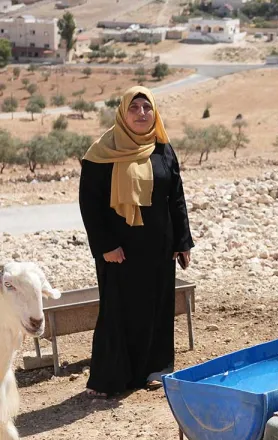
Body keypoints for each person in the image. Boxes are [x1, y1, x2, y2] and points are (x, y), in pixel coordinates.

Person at [78, 86, 194, 398]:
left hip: (159, 246)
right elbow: (90, 205)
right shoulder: (102, 153)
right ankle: (109, 379)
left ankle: (156, 369)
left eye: (147, 108)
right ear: (123, 112)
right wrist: (104, 246)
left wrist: (183, 241)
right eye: (135, 107)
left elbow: (176, 197)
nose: (142, 114)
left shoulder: (162, 148)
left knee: (157, 307)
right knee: (117, 310)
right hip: (120, 250)